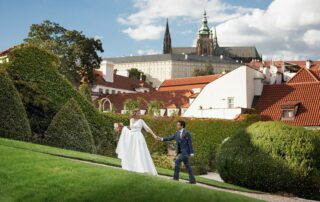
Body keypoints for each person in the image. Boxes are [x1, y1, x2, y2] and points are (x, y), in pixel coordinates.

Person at [115, 109, 158, 176]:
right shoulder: (131, 120)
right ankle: (132, 167)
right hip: (131, 138)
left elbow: (147, 129)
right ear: (135, 113)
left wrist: (154, 135)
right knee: (132, 152)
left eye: (139, 113)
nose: (139, 114)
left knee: (139, 152)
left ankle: (141, 168)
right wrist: (122, 127)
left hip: (138, 138)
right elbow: (131, 128)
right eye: (138, 113)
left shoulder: (141, 121)